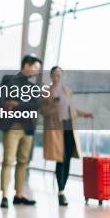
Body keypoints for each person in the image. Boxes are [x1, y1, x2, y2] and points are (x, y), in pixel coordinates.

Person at [41, 66, 93, 206]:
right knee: (60, 158)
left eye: (59, 75)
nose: (57, 77)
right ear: (51, 76)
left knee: (68, 158)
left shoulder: (67, 90)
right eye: (54, 75)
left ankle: (63, 188)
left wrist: (85, 114)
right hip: (56, 129)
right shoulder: (46, 92)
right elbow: (43, 112)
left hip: (69, 126)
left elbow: (73, 109)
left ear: (62, 76)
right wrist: (53, 104)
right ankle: (60, 192)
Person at [0, 55, 42, 208]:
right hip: (11, 127)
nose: (36, 72)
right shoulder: (8, 80)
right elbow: (1, 101)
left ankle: (19, 195)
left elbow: (35, 105)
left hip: (27, 128)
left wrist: (16, 103)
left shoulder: (33, 87)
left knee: (23, 162)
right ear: (26, 65)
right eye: (35, 68)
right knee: (8, 161)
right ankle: (4, 196)